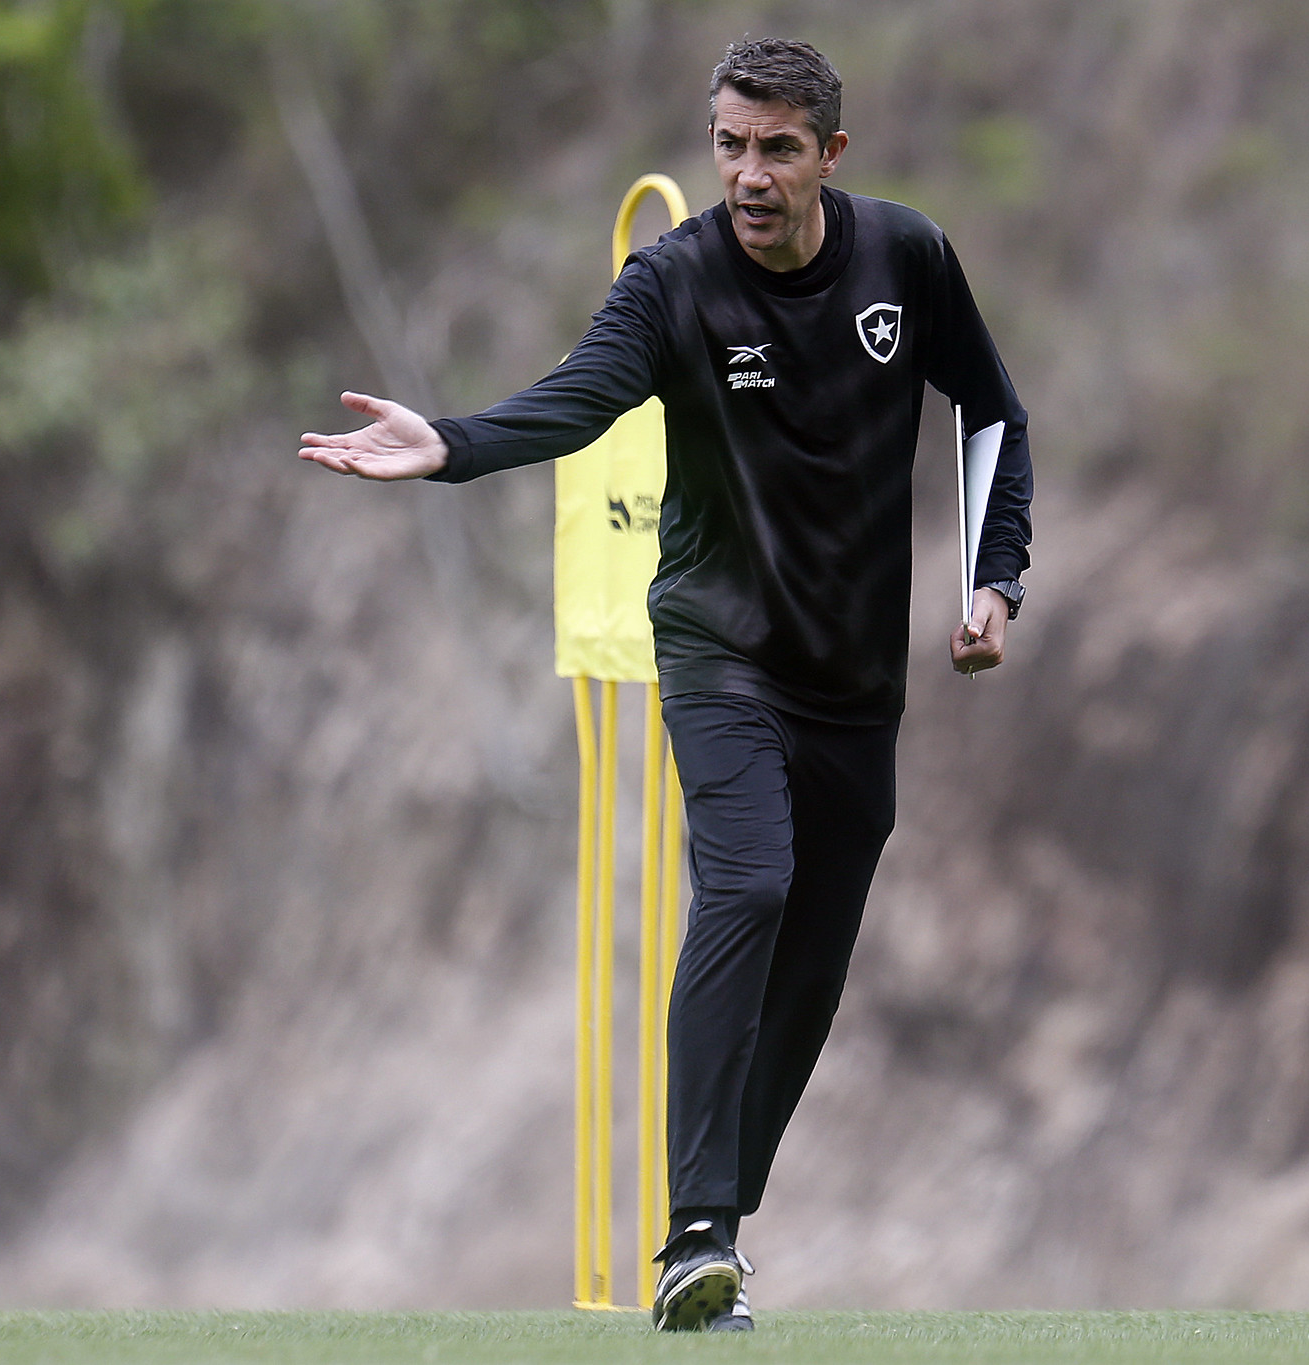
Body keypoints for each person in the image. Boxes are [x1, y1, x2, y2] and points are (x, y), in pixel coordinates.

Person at [299, 38, 1031, 1332]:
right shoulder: (675, 279)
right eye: (730, 145)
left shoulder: (905, 258)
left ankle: (717, 1228)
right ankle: (694, 1232)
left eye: (778, 149)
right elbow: (583, 399)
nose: (748, 175)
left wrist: (994, 579)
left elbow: (989, 409)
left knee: (812, 963)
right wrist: (454, 444)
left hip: (856, 674)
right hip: (718, 649)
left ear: (831, 156)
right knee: (746, 878)